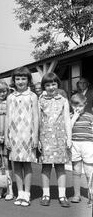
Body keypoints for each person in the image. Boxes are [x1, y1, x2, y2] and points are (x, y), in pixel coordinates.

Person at [5, 67, 38, 207]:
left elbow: (36, 116)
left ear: (28, 80)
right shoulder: (10, 97)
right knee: (17, 164)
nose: (20, 81)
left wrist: (35, 135)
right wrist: (7, 136)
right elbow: (7, 117)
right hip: (14, 135)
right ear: (14, 81)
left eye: (23, 78)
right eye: (17, 79)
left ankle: (27, 193)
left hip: (28, 134)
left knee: (27, 164)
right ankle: (20, 193)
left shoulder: (32, 96)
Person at [38, 73, 71, 208]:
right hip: (45, 138)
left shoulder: (63, 100)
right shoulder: (41, 100)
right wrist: (38, 139)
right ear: (44, 86)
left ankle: (62, 195)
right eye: (47, 85)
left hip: (60, 138)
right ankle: (46, 194)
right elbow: (38, 121)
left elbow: (67, 120)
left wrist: (69, 138)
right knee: (45, 167)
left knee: (60, 167)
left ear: (58, 84)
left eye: (53, 84)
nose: (51, 87)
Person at [70, 93, 93, 204]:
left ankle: (91, 194)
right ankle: (76, 194)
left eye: (80, 105)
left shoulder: (90, 116)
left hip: (88, 144)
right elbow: (68, 128)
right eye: (75, 106)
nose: (77, 108)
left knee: (89, 171)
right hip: (75, 144)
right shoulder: (70, 116)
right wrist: (74, 117)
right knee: (76, 170)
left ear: (85, 104)